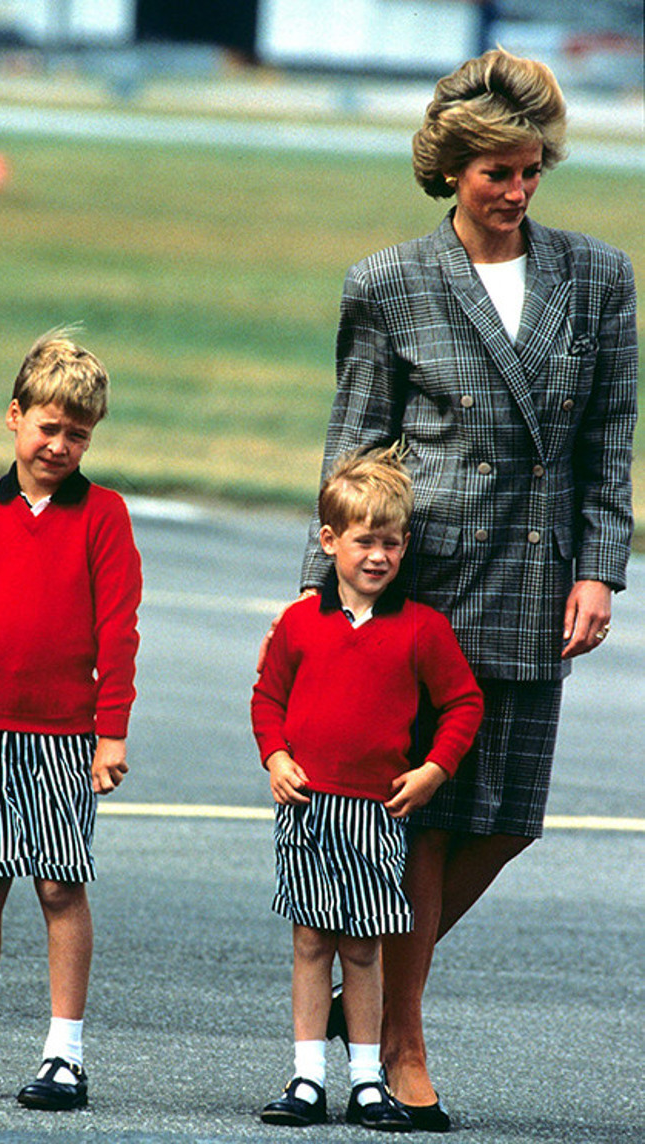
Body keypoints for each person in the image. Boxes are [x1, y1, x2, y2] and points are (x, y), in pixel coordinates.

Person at [264, 48, 638, 1131]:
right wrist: (313, 598)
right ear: (449, 171)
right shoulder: (386, 282)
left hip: (533, 577)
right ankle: (402, 1040)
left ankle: (365, 991)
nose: (516, 192)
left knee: (505, 817)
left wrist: (598, 565)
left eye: (530, 172)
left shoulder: (597, 276)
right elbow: (352, 445)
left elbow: (609, 437)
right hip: (419, 587)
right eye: (495, 174)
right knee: (421, 820)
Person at [0, 329, 142, 1111]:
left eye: (78, 434)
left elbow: (119, 630)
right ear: (15, 417)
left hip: (65, 738)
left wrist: (110, 731)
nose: (61, 445)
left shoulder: (104, 517)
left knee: (58, 887)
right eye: (49, 427)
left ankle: (63, 1056)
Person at [252, 446, 483, 1131]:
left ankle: (365, 1080)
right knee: (309, 943)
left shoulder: (422, 629)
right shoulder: (299, 623)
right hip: (309, 808)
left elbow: (462, 703)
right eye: (363, 541)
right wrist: (276, 757)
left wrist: (435, 768)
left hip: (377, 814)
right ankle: (304, 1077)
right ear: (329, 542)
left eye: (391, 542)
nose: (378, 556)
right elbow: (267, 697)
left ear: (405, 545)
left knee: (362, 945)